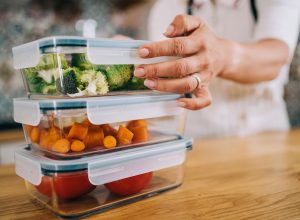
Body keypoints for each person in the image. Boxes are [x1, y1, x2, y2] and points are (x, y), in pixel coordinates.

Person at [133, 0, 300, 138]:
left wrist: (222, 56)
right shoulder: (167, 6)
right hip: (199, 142)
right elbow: (167, 76)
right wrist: (133, 63)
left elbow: (276, 57)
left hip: (268, 138)